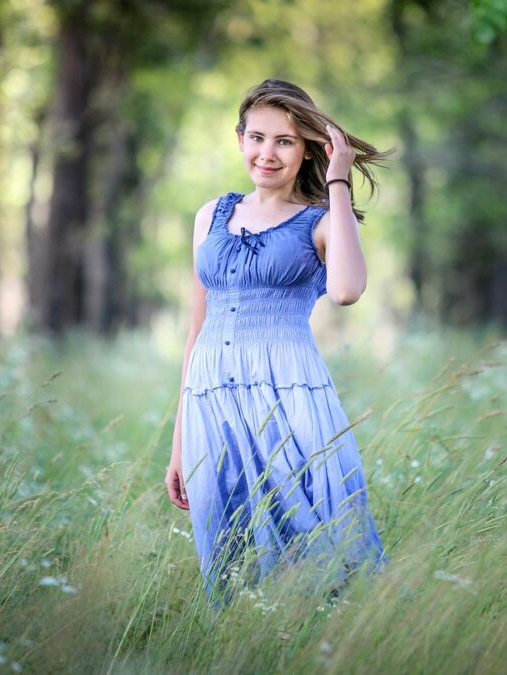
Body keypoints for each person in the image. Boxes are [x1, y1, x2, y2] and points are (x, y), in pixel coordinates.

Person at [165, 79, 390, 607]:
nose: (267, 153)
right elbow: (195, 333)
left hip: (288, 397)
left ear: (308, 147)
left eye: (285, 141)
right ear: (240, 139)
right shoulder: (211, 216)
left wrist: (338, 182)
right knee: (228, 541)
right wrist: (179, 444)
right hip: (212, 400)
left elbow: (347, 290)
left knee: (312, 533)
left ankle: (334, 644)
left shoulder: (318, 222)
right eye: (257, 137)